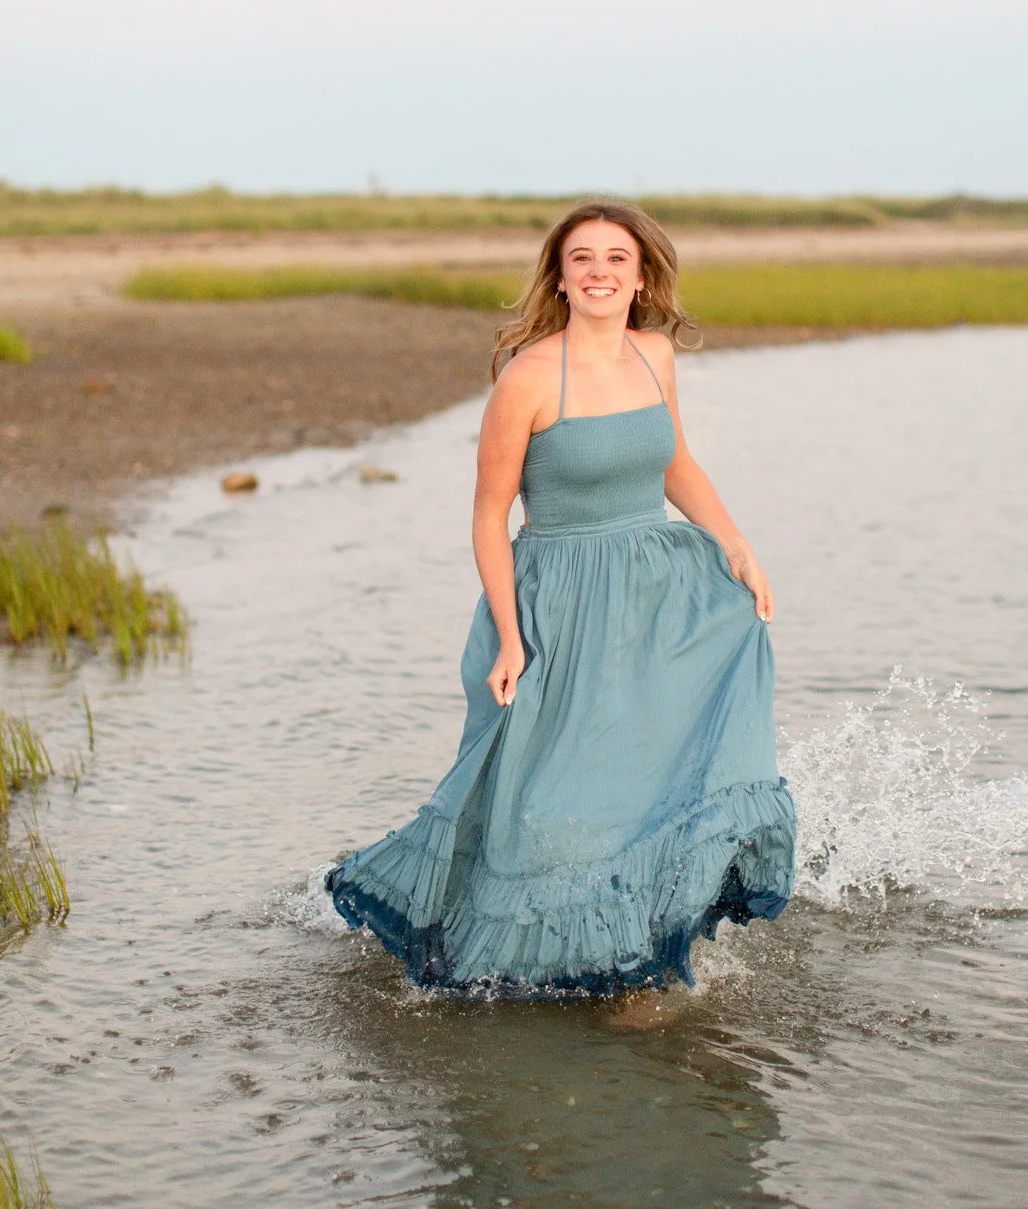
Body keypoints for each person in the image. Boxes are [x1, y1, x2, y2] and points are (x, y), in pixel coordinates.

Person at [325, 200, 797, 996]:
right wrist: (511, 638)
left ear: (641, 276)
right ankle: (498, 948)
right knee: (543, 794)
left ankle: (642, 961)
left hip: (657, 595)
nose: (600, 272)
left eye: (616, 258)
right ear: (560, 276)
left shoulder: (654, 355)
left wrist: (734, 541)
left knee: (651, 780)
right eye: (582, 258)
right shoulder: (530, 377)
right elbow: (488, 515)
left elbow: (673, 461)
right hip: (560, 606)